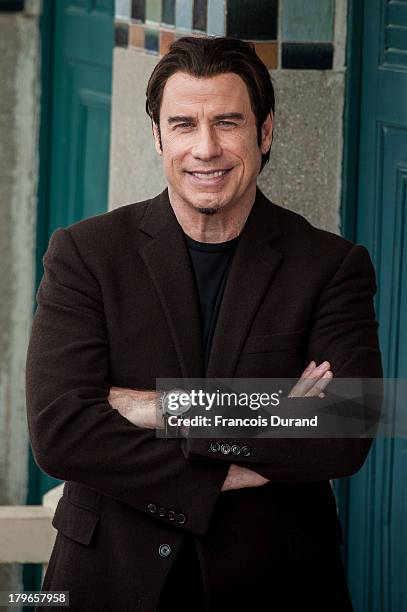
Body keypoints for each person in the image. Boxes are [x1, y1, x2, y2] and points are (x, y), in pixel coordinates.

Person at [26, 36, 382, 611]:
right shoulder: (86, 254)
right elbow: (60, 430)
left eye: (228, 122)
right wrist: (249, 445)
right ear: (158, 136)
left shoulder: (330, 266)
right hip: (108, 580)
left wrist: (160, 407)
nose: (206, 148)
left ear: (265, 133)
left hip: (277, 585)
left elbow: (346, 424)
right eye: (185, 124)